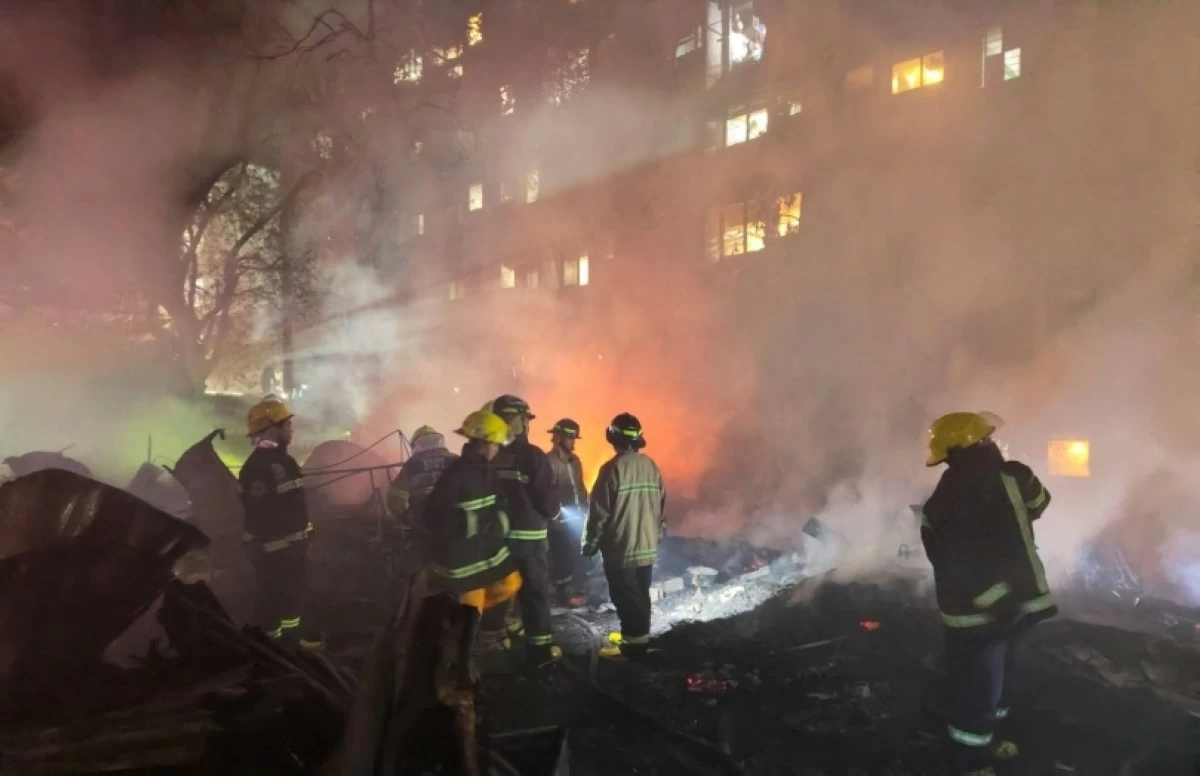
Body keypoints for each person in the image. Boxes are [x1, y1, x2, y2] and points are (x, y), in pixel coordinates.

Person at [919, 412, 1055, 776]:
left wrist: (983, 592)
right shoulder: (1015, 476)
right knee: (996, 682)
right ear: (981, 442)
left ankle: (977, 755)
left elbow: (938, 556)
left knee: (976, 687)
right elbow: (1040, 504)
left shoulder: (938, 502)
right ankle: (980, 754)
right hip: (1017, 602)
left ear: (948, 455)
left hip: (968, 612)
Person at [422, 410, 522, 622]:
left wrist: (501, 518)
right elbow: (433, 515)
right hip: (463, 560)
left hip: (485, 551)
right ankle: (463, 640)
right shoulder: (457, 474)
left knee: (511, 582)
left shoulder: (487, 470)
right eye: (495, 444)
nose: (497, 449)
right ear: (482, 444)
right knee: (471, 611)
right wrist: (474, 522)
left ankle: (480, 629)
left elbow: (498, 500)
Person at [239, 397, 321, 649]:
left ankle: (281, 645)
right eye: (286, 424)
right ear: (273, 428)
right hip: (279, 549)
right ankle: (285, 649)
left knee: (290, 598)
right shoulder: (260, 467)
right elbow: (261, 514)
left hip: (289, 546)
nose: (291, 429)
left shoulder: (283, 462)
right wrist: (284, 542)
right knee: (284, 599)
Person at [487, 394, 562, 666]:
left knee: (498, 592)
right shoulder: (532, 456)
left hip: (496, 541)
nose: (527, 425)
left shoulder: (489, 455)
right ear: (515, 420)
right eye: (525, 419)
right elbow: (547, 499)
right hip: (530, 540)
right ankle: (539, 651)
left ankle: (495, 644)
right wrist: (554, 515)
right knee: (535, 594)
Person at [584, 413, 666, 660]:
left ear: (613, 438)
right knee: (640, 593)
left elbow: (599, 513)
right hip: (647, 545)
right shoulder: (651, 466)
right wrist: (657, 536)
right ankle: (637, 636)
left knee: (625, 597)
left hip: (622, 547)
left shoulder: (612, 469)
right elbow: (661, 507)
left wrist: (590, 543)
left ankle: (633, 648)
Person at [546, 418, 588, 604]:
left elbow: (580, 488)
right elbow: (547, 493)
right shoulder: (549, 462)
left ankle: (576, 590)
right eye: (571, 438)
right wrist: (554, 518)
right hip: (560, 521)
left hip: (578, 518)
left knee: (577, 556)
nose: (573, 443)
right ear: (559, 438)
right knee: (561, 558)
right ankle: (563, 594)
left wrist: (586, 510)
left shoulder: (575, 461)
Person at [388, 426, 459, 531]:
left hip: (422, 525)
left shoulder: (411, 465)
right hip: (454, 523)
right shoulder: (455, 460)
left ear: (416, 444)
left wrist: (405, 518)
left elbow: (395, 498)